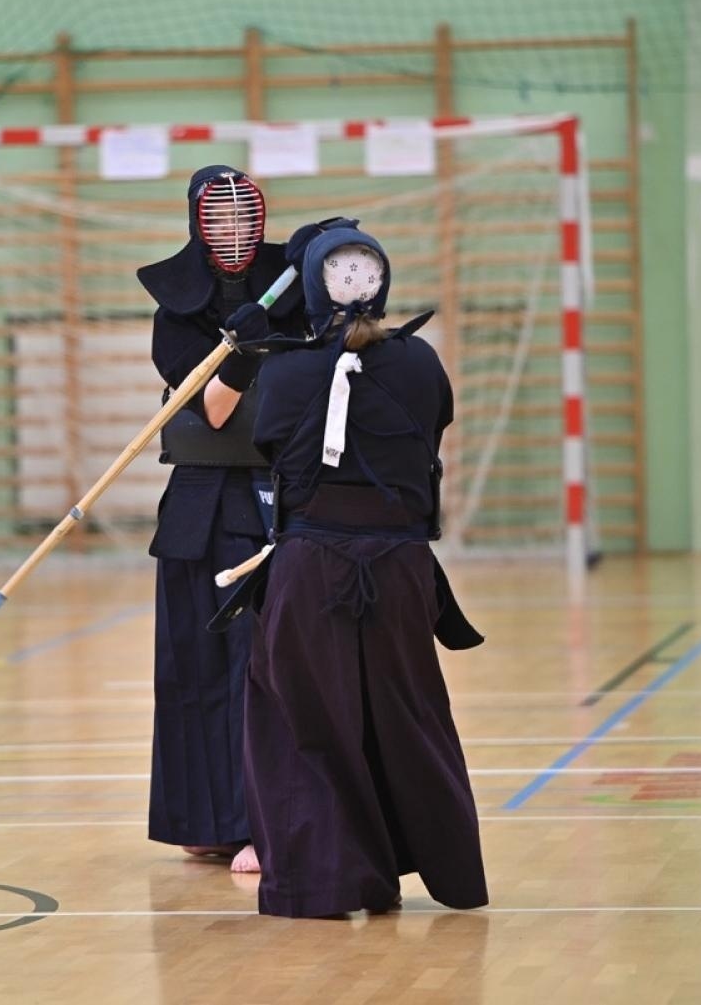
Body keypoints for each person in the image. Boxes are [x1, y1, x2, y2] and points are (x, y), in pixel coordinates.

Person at [238, 225, 488, 917]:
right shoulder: (421, 365)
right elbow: (432, 431)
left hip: (311, 568)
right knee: (407, 716)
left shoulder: (284, 371)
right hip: (403, 568)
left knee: (300, 722)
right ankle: (445, 870)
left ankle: (323, 881)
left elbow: (271, 447)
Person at [137, 166, 307, 871]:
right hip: (197, 504)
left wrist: (265, 334)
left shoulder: (291, 301)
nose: (235, 233)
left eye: (246, 218)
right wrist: (237, 349)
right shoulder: (174, 317)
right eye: (220, 220)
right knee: (189, 664)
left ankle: (254, 819)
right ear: (198, 228)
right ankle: (201, 817)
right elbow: (211, 409)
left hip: (269, 497)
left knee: (253, 667)